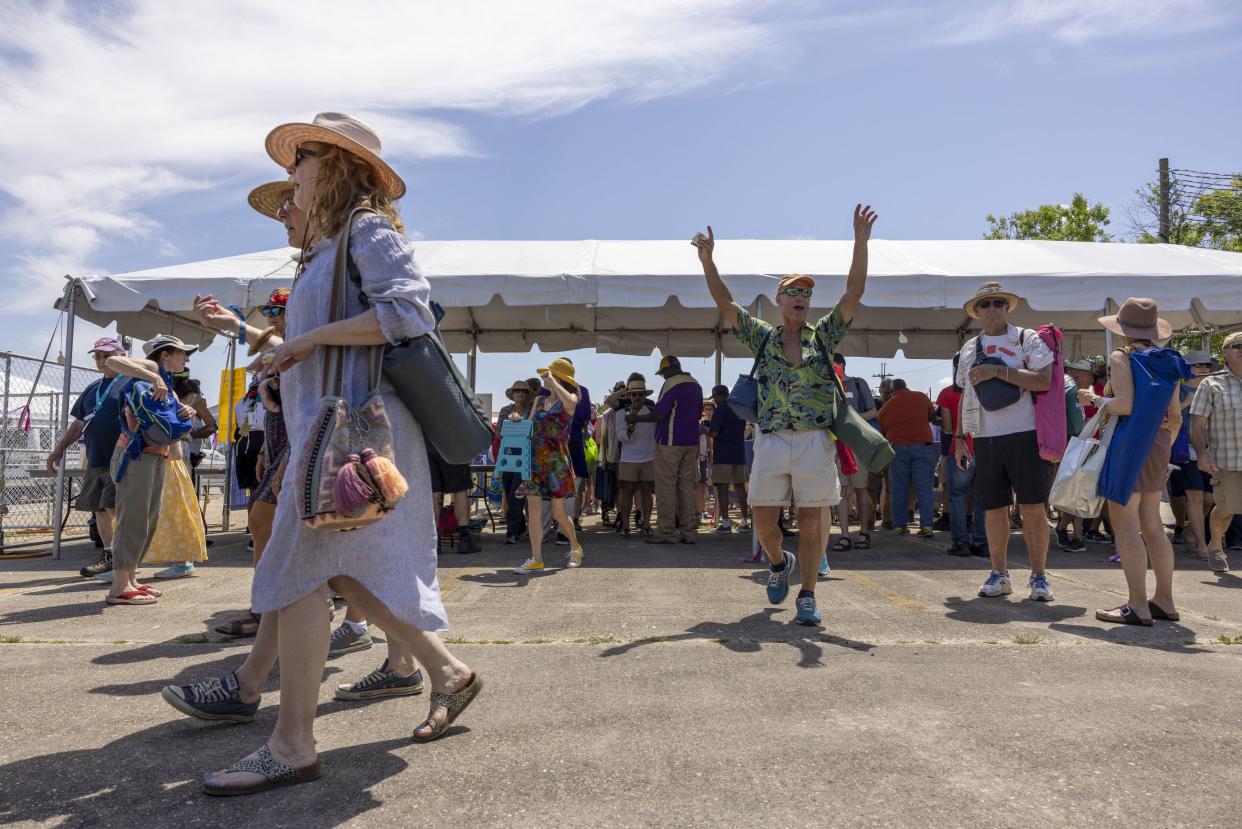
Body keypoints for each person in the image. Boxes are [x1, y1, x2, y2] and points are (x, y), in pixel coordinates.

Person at [183, 113, 478, 795]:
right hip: (332, 429)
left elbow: (409, 313)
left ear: (337, 165)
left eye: (302, 159)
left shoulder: (367, 231)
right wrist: (282, 347)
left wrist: (308, 343)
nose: (291, 172)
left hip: (356, 431)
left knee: (302, 572)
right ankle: (440, 673)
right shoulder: (328, 249)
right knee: (327, 571)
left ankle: (290, 737)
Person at [697, 204, 878, 626]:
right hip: (773, 437)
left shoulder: (825, 335)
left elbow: (853, 293)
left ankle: (809, 596)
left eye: (807, 293)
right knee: (763, 518)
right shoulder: (763, 336)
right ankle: (779, 563)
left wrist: (860, 243)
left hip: (815, 438)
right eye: (793, 292)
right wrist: (708, 261)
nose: (801, 298)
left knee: (815, 517)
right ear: (778, 300)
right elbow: (726, 304)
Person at [1083, 298, 1188, 625]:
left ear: (1123, 330)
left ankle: (1137, 605)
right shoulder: (1170, 359)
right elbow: (1175, 416)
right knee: (1153, 525)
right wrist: (1163, 446)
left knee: (1125, 524)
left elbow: (1124, 405)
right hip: (1158, 443)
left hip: (1129, 444)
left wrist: (1095, 399)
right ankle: (1165, 601)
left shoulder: (1121, 356)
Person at [953, 281, 1056, 602]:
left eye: (998, 302)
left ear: (1008, 307)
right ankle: (1000, 573)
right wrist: (959, 438)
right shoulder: (969, 348)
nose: (992, 309)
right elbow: (964, 394)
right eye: (985, 304)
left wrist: (998, 373)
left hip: (1025, 434)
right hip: (984, 437)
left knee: (1033, 508)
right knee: (993, 509)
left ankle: (1039, 577)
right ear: (977, 312)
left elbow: (1043, 380)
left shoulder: (1027, 338)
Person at [103, 335, 199, 605]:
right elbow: (113, 360)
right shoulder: (154, 370)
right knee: (133, 519)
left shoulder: (166, 380)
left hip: (153, 456)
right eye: (182, 352)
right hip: (136, 456)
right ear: (164, 354)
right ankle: (119, 587)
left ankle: (130, 579)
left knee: (147, 519)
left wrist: (184, 410)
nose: (187, 358)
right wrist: (154, 376)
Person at [47, 337, 128, 579]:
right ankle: (110, 556)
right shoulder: (93, 388)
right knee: (100, 509)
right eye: (98, 356)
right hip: (96, 459)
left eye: (107, 355)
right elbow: (79, 422)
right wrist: (59, 448)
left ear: (122, 356)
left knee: (116, 508)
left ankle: (128, 560)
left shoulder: (131, 383)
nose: (102, 360)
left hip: (122, 459)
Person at [514, 360, 585, 573]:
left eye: (550, 375)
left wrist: (554, 382)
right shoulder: (539, 400)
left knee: (558, 514)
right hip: (535, 462)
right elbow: (529, 426)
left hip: (557, 462)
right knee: (533, 510)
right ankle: (536, 558)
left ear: (560, 378)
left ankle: (575, 547)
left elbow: (571, 404)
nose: (545, 379)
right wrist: (518, 419)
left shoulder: (570, 398)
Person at [627, 356, 703, 545]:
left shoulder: (672, 384)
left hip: (671, 442)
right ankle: (688, 531)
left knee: (666, 487)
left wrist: (637, 419)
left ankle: (667, 532)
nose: (662, 377)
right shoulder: (696, 385)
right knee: (685, 486)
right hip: (691, 442)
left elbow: (659, 413)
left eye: (663, 373)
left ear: (669, 370)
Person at [142, 372, 211, 579]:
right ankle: (178, 558)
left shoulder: (185, 404)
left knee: (174, 510)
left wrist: (188, 433)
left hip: (173, 459)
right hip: (172, 459)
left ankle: (183, 560)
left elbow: (209, 427)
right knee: (170, 511)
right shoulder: (168, 400)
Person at [1191, 330, 1242, 574]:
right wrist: (1202, 454)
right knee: (1226, 509)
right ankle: (1215, 545)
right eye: (1237, 345)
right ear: (1224, 352)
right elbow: (1198, 423)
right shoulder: (1211, 384)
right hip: (1227, 460)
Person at [1166, 351, 1214, 559]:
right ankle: (1202, 544)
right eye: (1197, 365)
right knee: (1194, 495)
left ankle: (1190, 530)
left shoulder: (1214, 389)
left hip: (1211, 450)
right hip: (1184, 449)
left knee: (1209, 500)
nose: (1203, 369)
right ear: (1187, 369)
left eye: (1206, 365)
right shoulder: (1176, 388)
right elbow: (1168, 417)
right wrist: (1187, 402)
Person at [937, 357, 987, 557]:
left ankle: (960, 541)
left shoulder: (948, 393)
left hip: (959, 448)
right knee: (981, 498)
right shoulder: (988, 392)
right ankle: (982, 542)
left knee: (957, 496)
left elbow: (948, 427)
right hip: (984, 449)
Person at [877, 378, 938, 537]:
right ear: (907, 387)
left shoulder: (886, 407)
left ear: (891, 391)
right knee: (924, 488)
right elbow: (933, 417)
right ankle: (927, 526)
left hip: (898, 450)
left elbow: (882, 432)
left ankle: (900, 526)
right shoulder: (921, 397)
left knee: (898, 489)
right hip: (922, 448)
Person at [831, 355, 874, 549]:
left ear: (840, 366)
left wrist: (853, 419)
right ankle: (845, 534)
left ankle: (864, 532)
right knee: (841, 491)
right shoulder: (828, 387)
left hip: (857, 445)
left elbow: (874, 412)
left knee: (861, 489)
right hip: (837, 447)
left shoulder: (858, 384)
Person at [614, 375, 657, 538]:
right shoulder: (621, 413)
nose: (637, 397)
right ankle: (626, 526)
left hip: (649, 458)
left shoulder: (652, 413)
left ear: (645, 395)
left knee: (647, 492)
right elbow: (620, 436)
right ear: (629, 396)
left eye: (640, 394)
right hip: (628, 459)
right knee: (627, 493)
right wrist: (629, 430)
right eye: (634, 394)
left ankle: (646, 525)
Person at [707, 384, 750, 533]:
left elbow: (714, 433)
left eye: (715, 397)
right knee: (740, 488)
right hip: (738, 452)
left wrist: (705, 430)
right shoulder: (739, 409)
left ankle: (725, 524)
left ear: (719, 396)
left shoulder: (720, 410)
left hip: (723, 453)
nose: (715, 401)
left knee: (722, 489)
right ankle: (745, 522)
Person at [498, 379, 534, 545]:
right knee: (509, 491)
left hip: (525, 459)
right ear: (512, 394)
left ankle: (511, 532)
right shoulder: (505, 411)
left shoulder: (531, 410)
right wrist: (511, 425)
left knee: (517, 495)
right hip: (507, 458)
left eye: (524, 391)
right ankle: (519, 528)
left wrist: (519, 423)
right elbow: (498, 433)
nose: (520, 393)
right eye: (517, 390)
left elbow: (533, 432)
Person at [429, 449, 480, 554]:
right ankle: (464, 539)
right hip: (453, 445)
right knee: (459, 491)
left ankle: (434, 542)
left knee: (434, 492)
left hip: (429, 444)